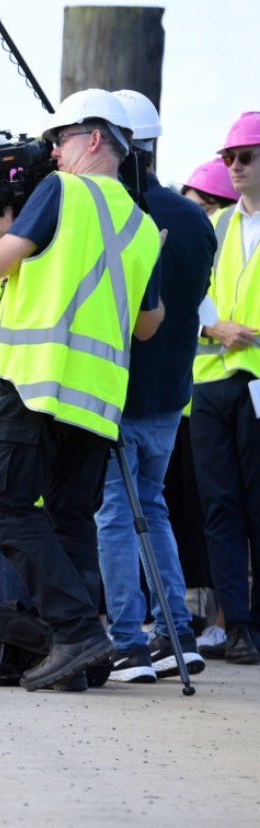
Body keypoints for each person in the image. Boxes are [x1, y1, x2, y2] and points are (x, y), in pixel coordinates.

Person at [0, 88, 163, 692]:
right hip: (97, 397)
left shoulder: (60, 192)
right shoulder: (143, 223)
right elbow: (148, 322)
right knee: (71, 519)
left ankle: (78, 631)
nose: (51, 152)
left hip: (34, 379)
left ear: (93, 138)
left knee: (5, 507)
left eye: (58, 139)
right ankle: (85, 660)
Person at [89, 91, 213, 682]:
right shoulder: (194, 217)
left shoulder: (122, 217)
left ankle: (128, 642)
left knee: (116, 515)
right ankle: (176, 633)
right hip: (172, 392)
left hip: (121, 391)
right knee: (152, 507)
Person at [192, 110, 260, 665]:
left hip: (258, 380)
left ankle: (254, 623)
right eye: (229, 158)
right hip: (212, 382)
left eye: (245, 157)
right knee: (220, 508)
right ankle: (236, 623)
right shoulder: (215, 227)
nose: (234, 167)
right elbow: (192, 291)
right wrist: (216, 326)